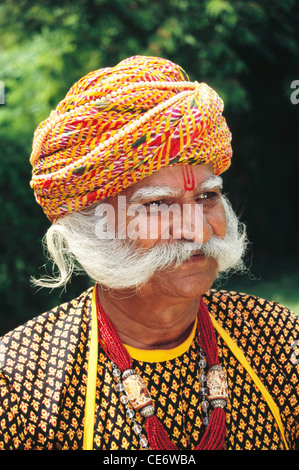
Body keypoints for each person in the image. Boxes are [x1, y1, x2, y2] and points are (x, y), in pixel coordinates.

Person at [0, 56, 298, 451]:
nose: (196, 229)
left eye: (207, 196)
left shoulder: (279, 340)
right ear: (94, 225)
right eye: (158, 205)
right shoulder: (19, 383)